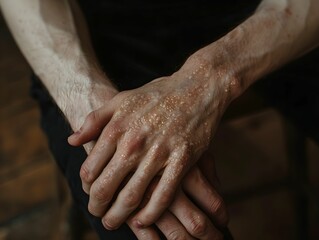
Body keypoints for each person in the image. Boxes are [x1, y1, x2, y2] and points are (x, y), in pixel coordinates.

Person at [0, 0, 318, 239]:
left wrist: (210, 76)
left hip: (271, 16)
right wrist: (95, 112)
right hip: (95, 33)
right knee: (156, 222)